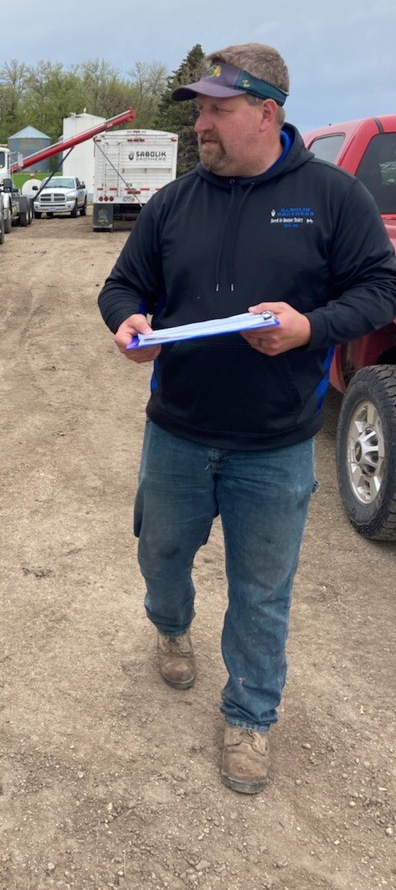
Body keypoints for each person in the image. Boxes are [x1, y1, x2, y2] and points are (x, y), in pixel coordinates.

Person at [98, 43, 396, 794]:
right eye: (198, 108)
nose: (201, 123)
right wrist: (129, 321)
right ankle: (171, 626)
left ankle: (250, 716)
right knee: (160, 560)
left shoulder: (330, 198)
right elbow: (123, 285)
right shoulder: (172, 203)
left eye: (216, 109)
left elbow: (379, 290)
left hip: (275, 445)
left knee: (262, 592)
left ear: (266, 113)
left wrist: (311, 326)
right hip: (178, 432)